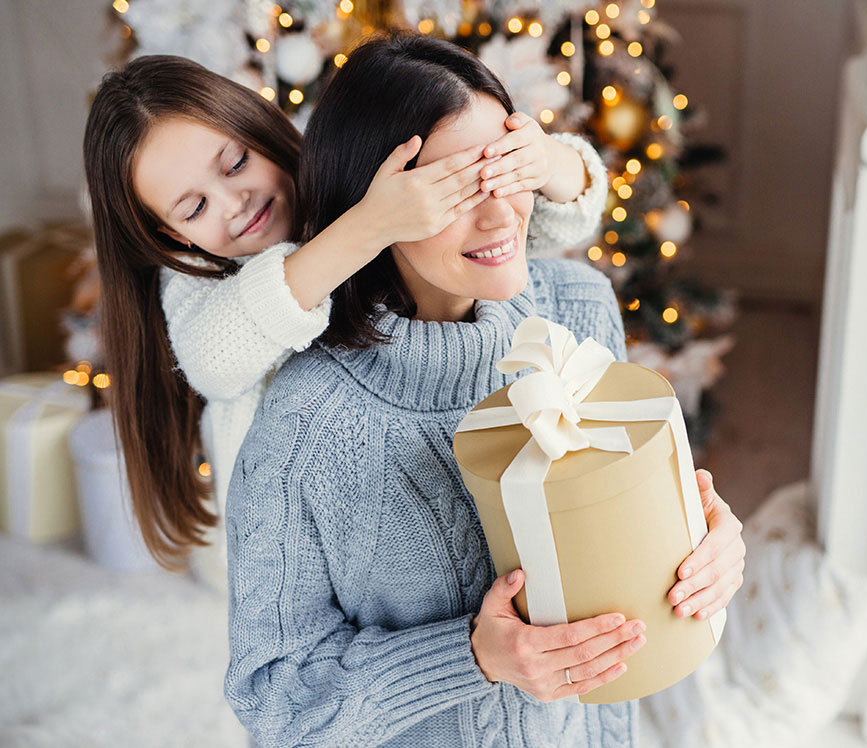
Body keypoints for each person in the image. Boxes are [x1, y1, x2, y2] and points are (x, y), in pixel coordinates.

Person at [225, 33, 746, 747]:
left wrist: (709, 545)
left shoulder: (578, 307)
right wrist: (472, 657)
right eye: (456, 188)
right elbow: (275, 701)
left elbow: (631, 546)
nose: (502, 214)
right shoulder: (306, 424)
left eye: (507, 170)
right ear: (378, 207)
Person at [81, 54, 609, 576]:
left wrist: (544, 161)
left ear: (262, 129)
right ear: (173, 235)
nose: (233, 203)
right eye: (194, 208)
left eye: (236, 163)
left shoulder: (343, 180)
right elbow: (213, 358)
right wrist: (370, 226)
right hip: (287, 541)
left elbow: (534, 229)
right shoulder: (197, 279)